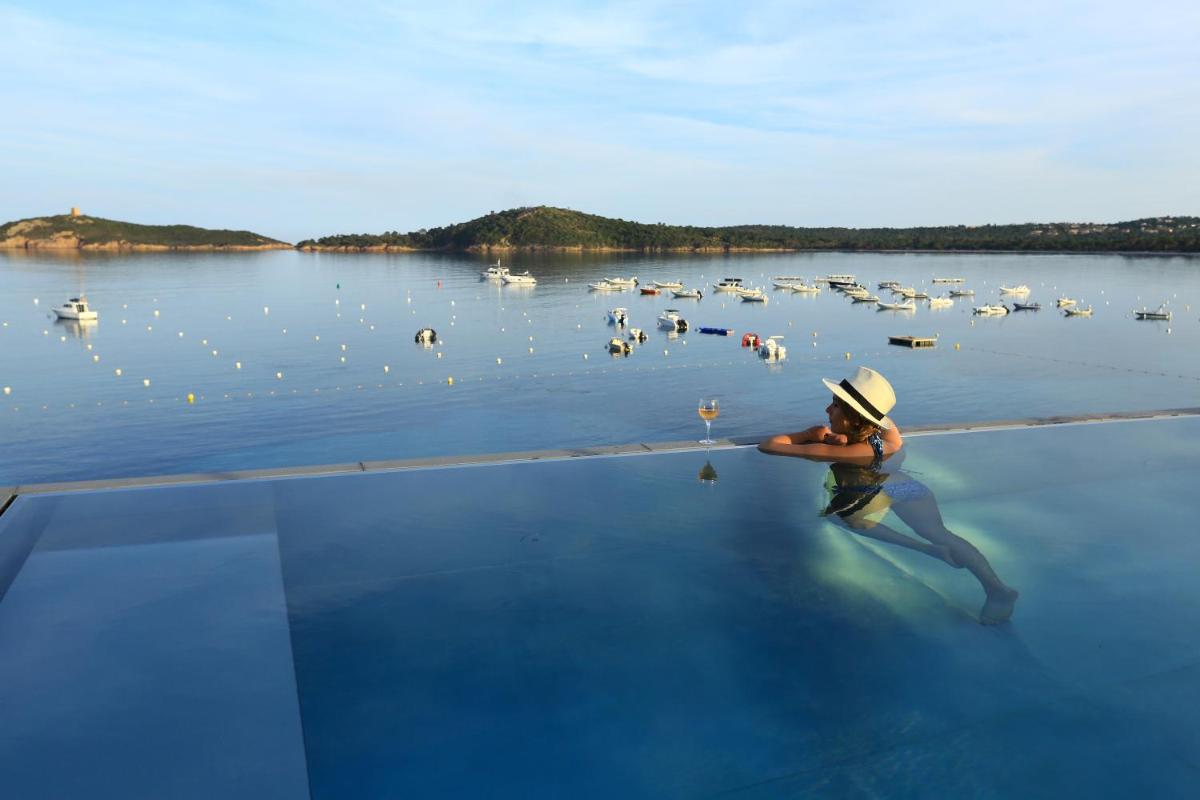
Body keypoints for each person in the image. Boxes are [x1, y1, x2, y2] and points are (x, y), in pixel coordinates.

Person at [759, 366, 1019, 625]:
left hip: (877, 491)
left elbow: (770, 446)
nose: (827, 410)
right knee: (942, 533)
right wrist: (843, 435)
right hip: (907, 487)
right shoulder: (888, 439)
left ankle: (926, 550)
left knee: (838, 516)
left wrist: (808, 435)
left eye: (835, 405)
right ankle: (998, 589)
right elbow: (879, 422)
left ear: (854, 417)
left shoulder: (845, 453)